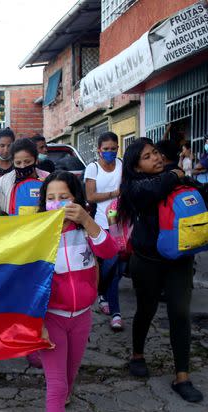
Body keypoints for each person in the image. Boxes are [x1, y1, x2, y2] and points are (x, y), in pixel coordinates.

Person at [34, 171, 117, 412]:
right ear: (43, 203)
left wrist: (87, 220)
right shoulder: (38, 234)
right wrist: (38, 324)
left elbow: (110, 252)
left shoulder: (86, 228)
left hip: (82, 317)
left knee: (67, 384)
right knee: (56, 387)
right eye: (51, 198)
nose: (57, 203)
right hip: (52, 319)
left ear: (77, 199)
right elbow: (29, 285)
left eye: (64, 197)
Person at [118, 138, 208, 403]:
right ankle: (137, 354)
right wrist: (174, 174)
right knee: (145, 310)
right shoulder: (135, 187)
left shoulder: (178, 180)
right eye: (147, 157)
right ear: (136, 167)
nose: (156, 158)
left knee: (180, 312)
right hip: (146, 261)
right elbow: (155, 189)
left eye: (156, 153)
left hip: (180, 260)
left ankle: (182, 376)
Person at [83, 132, 124, 330]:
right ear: (99, 149)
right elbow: (90, 196)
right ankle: (115, 312)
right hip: (101, 223)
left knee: (118, 266)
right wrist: (113, 194)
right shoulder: (93, 168)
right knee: (111, 264)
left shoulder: (122, 164)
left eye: (113, 148)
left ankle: (103, 293)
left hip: (121, 223)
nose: (110, 152)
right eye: (106, 149)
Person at [0, 138, 49, 215]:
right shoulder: (1, 183)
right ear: (13, 162)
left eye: (27, 162)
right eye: (18, 163)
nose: (23, 166)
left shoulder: (48, 178)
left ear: (36, 160)